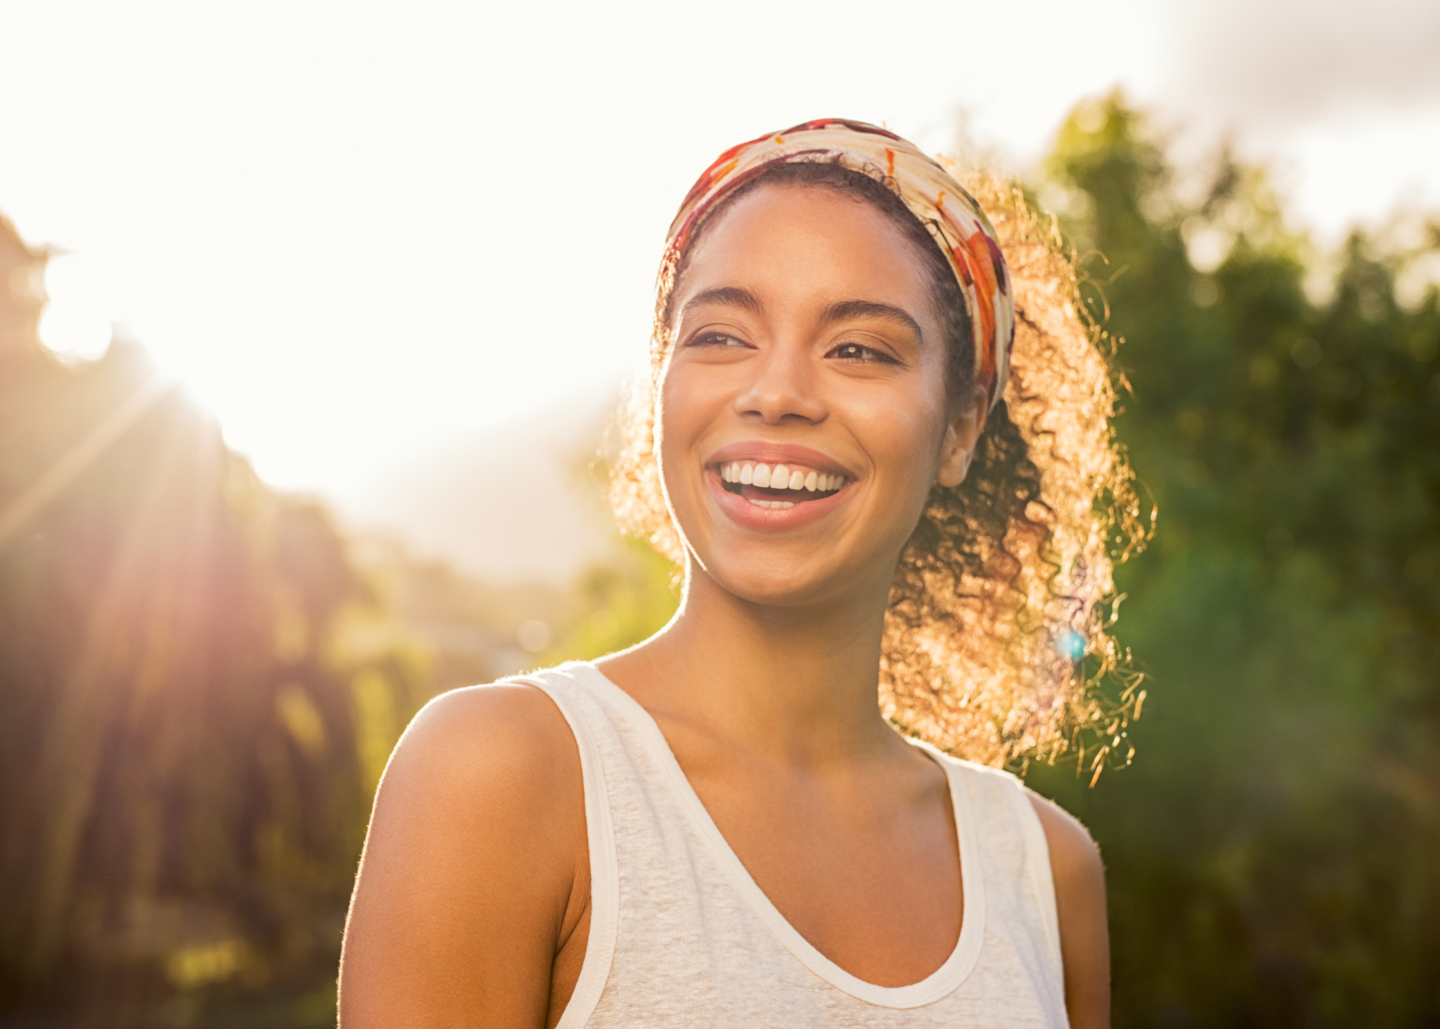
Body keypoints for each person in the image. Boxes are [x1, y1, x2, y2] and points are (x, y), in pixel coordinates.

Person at [339, 118, 1140, 1028]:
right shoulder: (501, 775)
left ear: (959, 428)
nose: (776, 392)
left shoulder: (1044, 871)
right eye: (721, 335)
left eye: (860, 349)